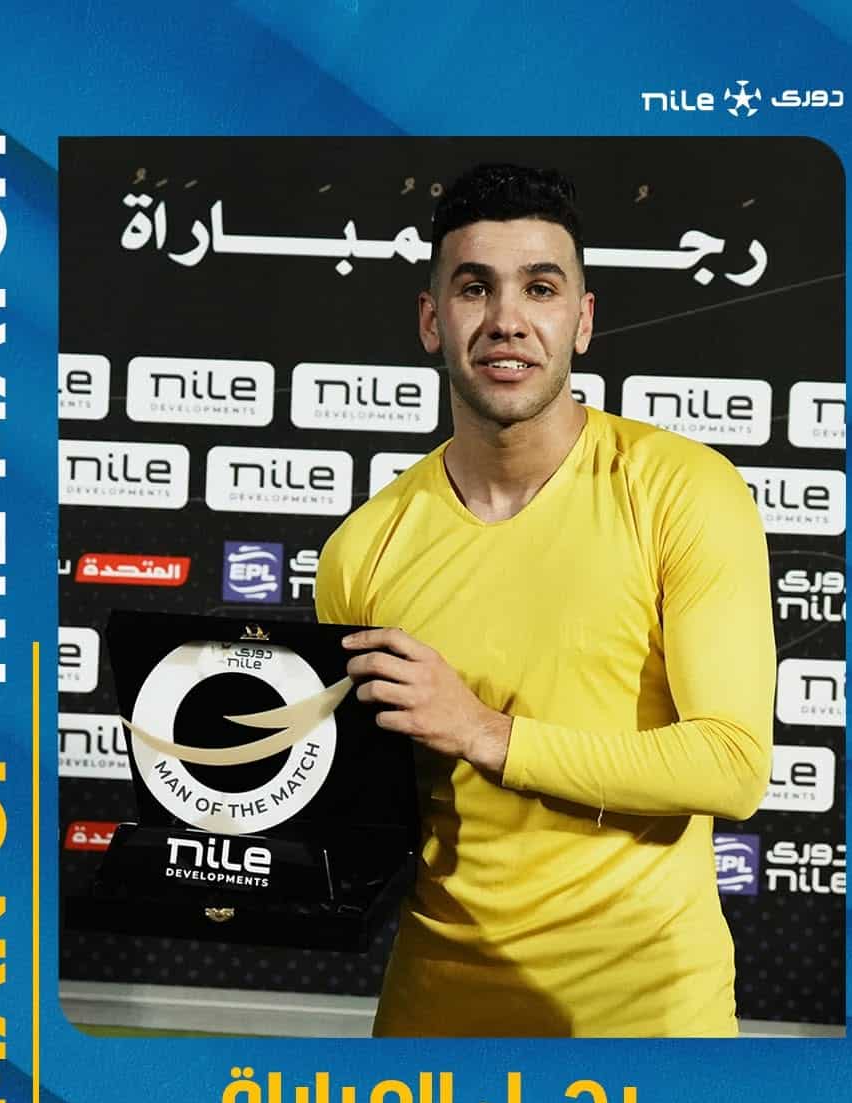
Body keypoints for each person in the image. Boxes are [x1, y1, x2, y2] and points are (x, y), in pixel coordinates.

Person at [315, 162, 775, 1037]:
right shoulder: (361, 551)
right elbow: (363, 809)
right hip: (431, 1019)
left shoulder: (681, 491)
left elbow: (730, 765)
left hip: (647, 1026)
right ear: (431, 320)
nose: (506, 319)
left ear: (582, 320)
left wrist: (485, 733)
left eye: (540, 287)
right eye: (473, 288)